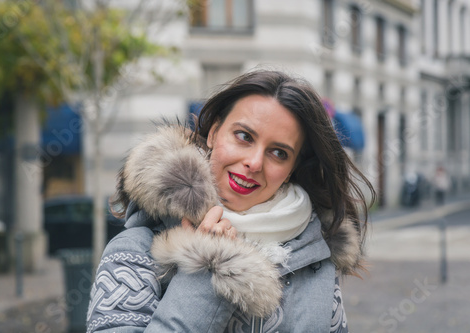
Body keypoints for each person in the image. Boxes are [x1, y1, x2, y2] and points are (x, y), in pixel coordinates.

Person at [86, 70, 376, 333]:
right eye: (243, 136)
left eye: (279, 153)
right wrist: (209, 261)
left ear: (290, 171)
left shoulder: (314, 258)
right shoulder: (134, 252)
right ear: (213, 133)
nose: (254, 162)